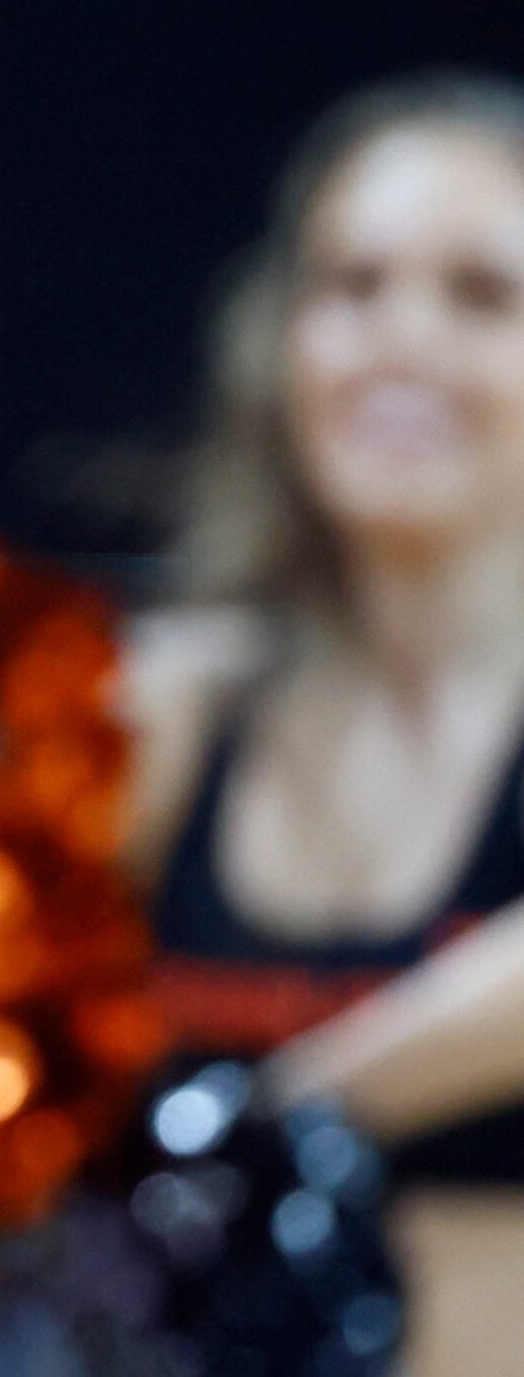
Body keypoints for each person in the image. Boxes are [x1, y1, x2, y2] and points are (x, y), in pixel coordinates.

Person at [122, 74, 524, 1377]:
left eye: (482, 296)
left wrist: (261, 1119)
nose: (399, 339)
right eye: (350, 286)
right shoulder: (166, 707)